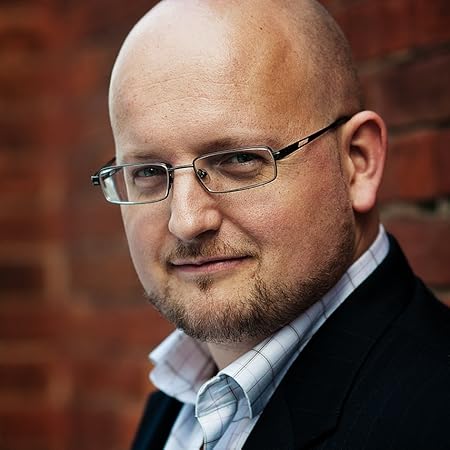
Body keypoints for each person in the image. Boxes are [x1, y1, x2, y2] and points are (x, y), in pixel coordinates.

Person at [91, 0, 450, 448]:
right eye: (147, 171)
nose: (186, 221)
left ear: (357, 162)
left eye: (239, 160)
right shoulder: (180, 400)